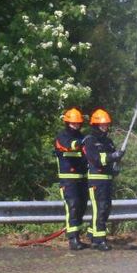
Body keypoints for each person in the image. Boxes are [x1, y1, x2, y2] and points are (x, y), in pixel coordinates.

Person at [81, 108, 124, 251]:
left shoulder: (109, 142)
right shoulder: (89, 141)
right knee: (99, 209)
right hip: (95, 180)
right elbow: (96, 159)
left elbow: (111, 159)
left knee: (105, 209)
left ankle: (93, 236)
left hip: (107, 179)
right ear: (95, 125)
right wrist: (113, 156)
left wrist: (115, 166)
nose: (105, 128)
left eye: (106, 125)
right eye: (102, 125)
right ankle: (99, 240)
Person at [54, 107, 89, 251]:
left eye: (78, 123)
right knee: (73, 206)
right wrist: (81, 143)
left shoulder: (82, 137)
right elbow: (69, 146)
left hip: (82, 178)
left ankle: (78, 235)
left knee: (81, 207)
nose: (75, 125)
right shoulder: (62, 137)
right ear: (67, 123)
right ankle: (73, 238)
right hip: (68, 179)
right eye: (72, 123)